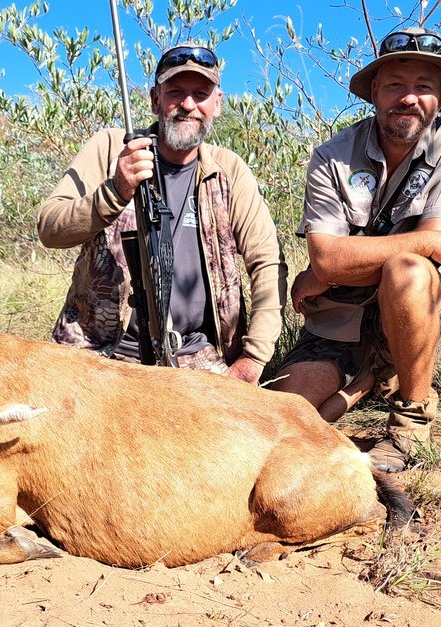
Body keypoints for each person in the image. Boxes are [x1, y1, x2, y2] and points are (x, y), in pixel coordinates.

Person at [270, 26, 441, 470]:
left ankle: (411, 421)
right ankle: (369, 381)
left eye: (423, 86)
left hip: (413, 304)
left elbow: (422, 259)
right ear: (375, 91)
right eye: (395, 84)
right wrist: (330, 266)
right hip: (339, 316)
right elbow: (331, 258)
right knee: (281, 416)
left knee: (409, 271)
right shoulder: (332, 154)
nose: (408, 98)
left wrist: (330, 269)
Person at [37, 44, 287, 382]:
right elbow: (50, 229)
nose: (187, 105)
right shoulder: (111, 148)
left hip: (195, 355)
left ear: (217, 105)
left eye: (200, 94)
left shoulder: (230, 171)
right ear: (156, 99)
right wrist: (115, 191)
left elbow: (267, 262)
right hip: (96, 353)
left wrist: (253, 359)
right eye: (175, 92)